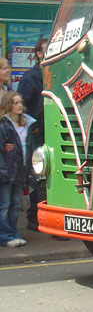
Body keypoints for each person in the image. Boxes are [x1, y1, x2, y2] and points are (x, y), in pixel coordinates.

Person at [18, 38, 47, 231]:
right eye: (46, 50)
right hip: (38, 131)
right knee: (38, 173)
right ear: (38, 54)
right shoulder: (30, 78)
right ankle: (33, 218)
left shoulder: (54, 73)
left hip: (53, 129)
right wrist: (34, 126)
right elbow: (22, 106)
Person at [0, 92, 35, 248]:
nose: (19, 105)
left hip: (20, 171)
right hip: (7, 171)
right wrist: (3, 171)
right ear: (8, 105)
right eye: (15, 103)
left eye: (20, 102)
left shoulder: (25, 123)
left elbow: (29, 148)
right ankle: (5, 236)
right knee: (4, 205)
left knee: (15, 205)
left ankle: (13, 233)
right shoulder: (4, 125)